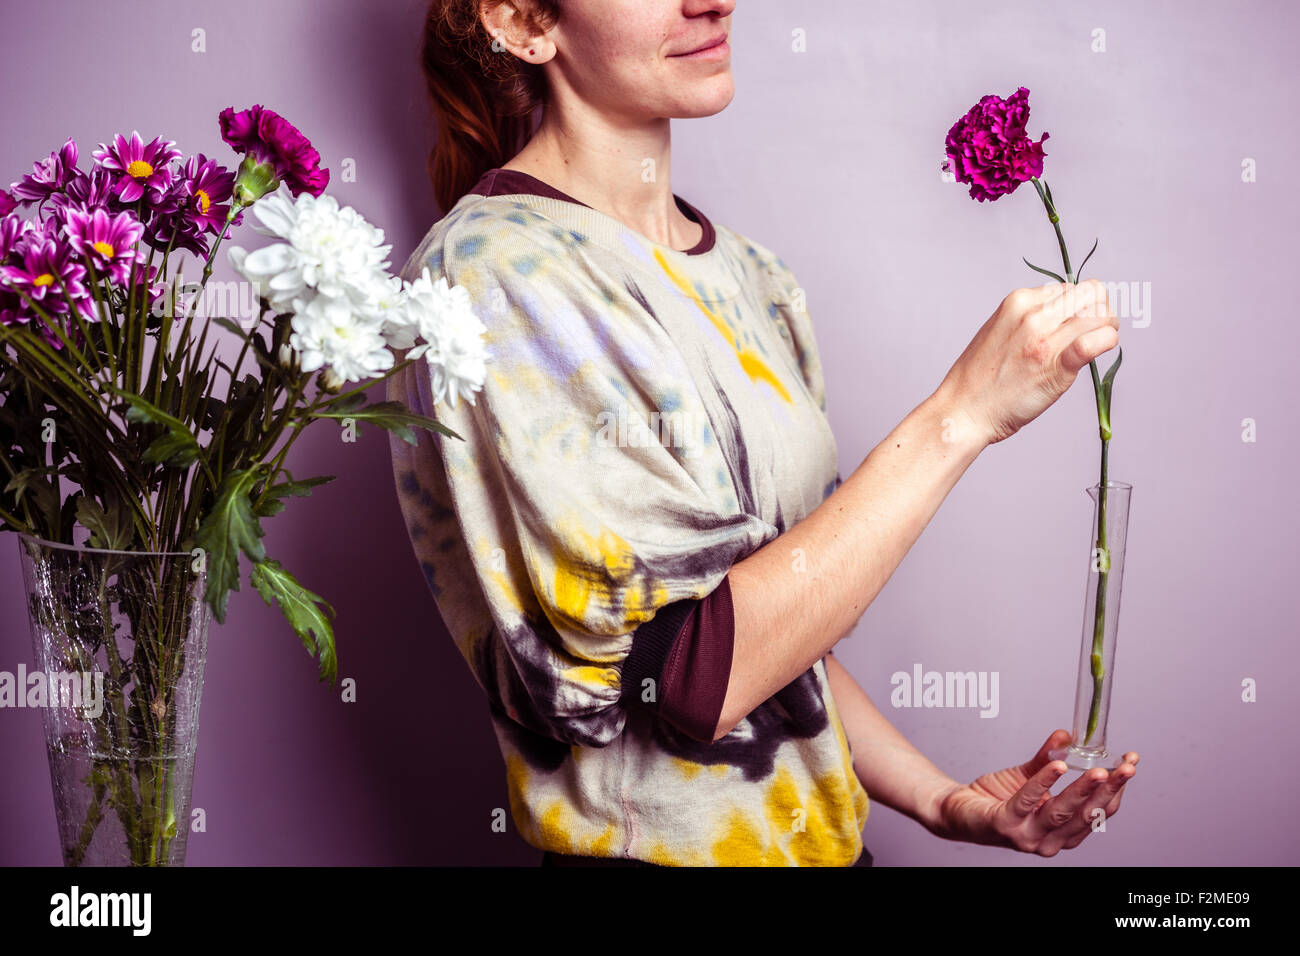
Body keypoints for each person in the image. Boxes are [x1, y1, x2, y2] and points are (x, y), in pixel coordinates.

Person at [386, 0, 1138, 867]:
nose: (713, 0)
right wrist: (961, 416)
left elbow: (775, 634)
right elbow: (695, 678)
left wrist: (944, 800)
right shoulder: (493, 274)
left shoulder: (753, 275)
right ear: (523, 22)